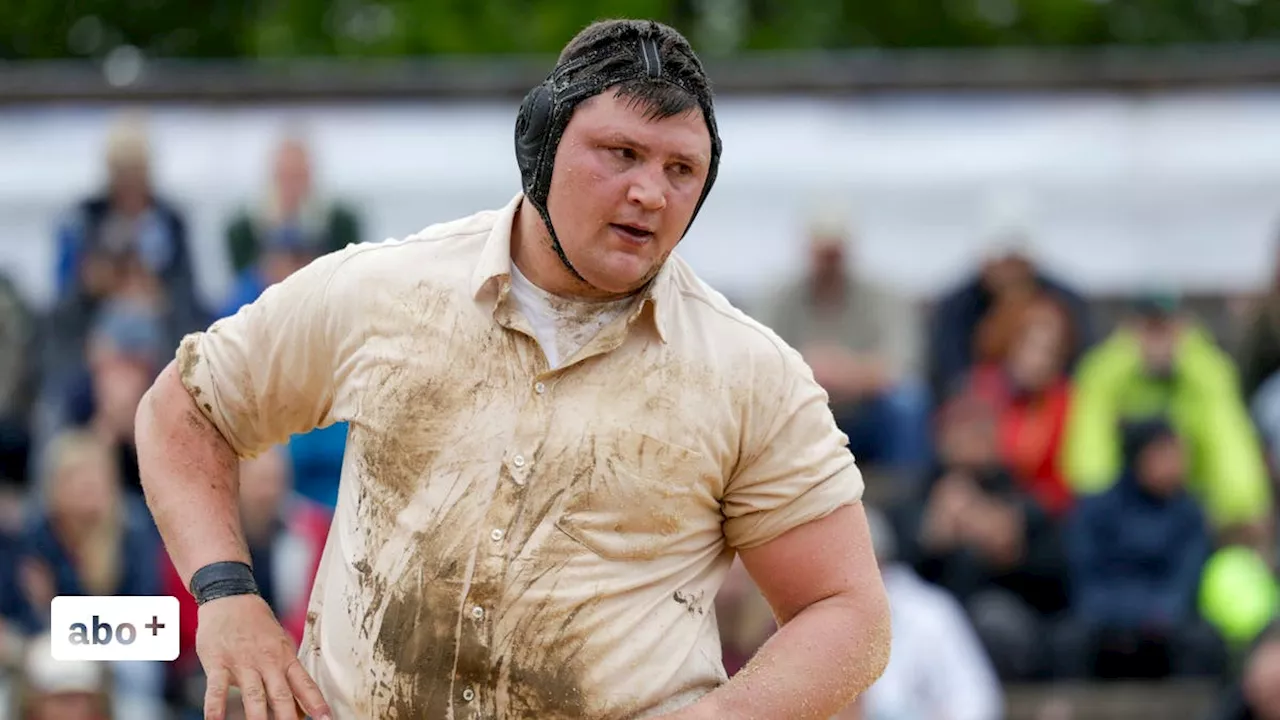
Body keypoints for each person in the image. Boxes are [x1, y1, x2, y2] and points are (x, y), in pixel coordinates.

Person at [134, 18, 891, 720]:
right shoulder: (382, 291)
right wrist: (227, 596)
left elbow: (847, 613)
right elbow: (185, 410)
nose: (649, 192)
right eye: (621, 153)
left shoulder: (749, 374)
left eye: (681, 168)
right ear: (540, 143)